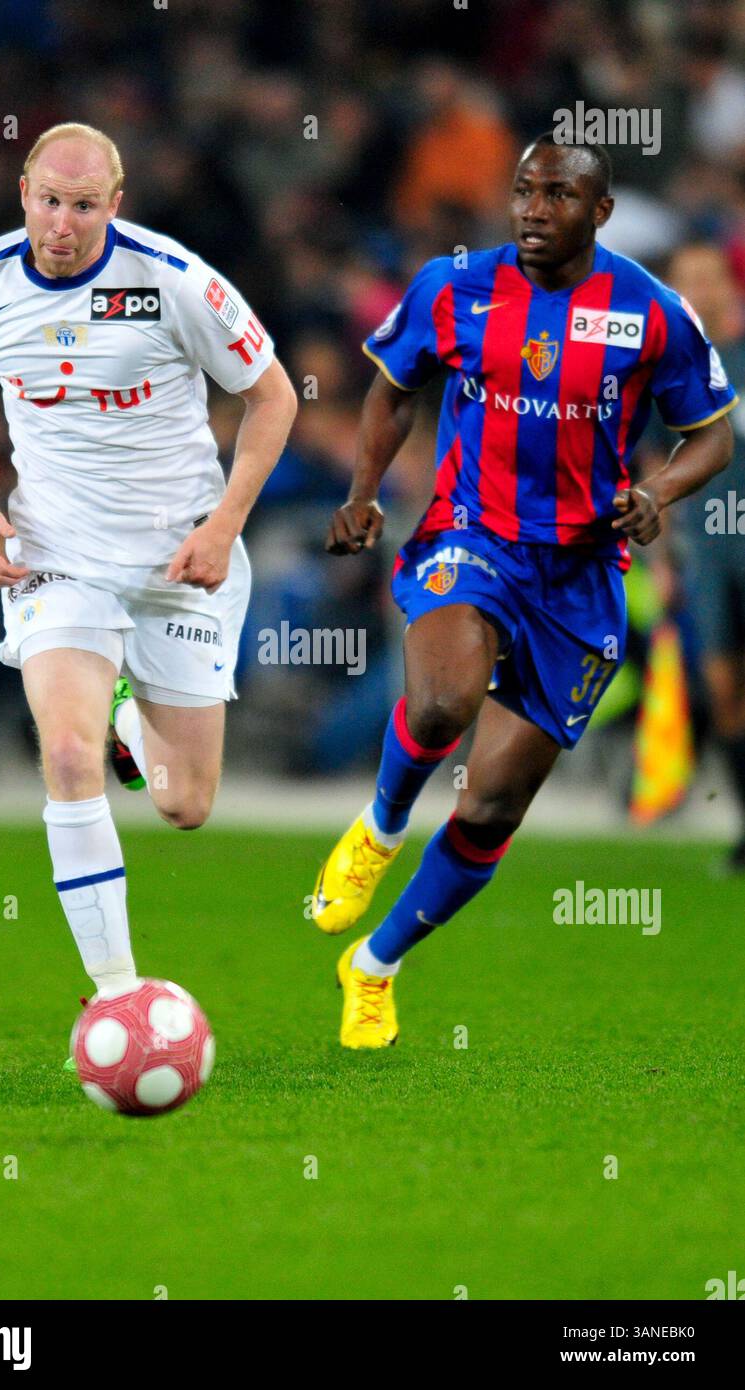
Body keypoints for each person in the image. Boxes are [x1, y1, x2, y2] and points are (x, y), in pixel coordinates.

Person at [312, 134, 736, 1048]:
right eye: (522, 192)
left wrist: (653, 493)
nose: (534, 211)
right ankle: (379, 831)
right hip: (472, 535)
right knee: (438, 705)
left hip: (580, 576)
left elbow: (711, 434)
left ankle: (375, 965)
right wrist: (361, 493)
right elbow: (391, 389)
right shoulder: (452, 287)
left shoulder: (651, 313)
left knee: (491, 806)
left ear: (601, 211)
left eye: (557, 195)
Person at [0, 123, 296, 1019]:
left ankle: (130, 717)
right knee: (63, 751)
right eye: (49, 199)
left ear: (113, 207)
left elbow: (273, 394)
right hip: (57, 554)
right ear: (23, 192)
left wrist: (224, 523)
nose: (62, 222)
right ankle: (117, 999)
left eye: (83, 205)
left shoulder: (171, 279)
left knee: (184, 804)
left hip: (180, 559)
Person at [654, 243, 745, 869]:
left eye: (704, 278)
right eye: (682, 280)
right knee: (720, 686)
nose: (694, 289)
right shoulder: (671, 363)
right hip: (710, 551)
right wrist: (662, 555)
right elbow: (653, 464)